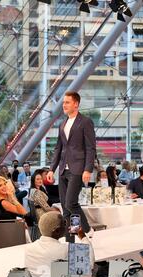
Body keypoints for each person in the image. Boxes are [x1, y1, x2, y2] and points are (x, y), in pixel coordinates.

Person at [47, 91, 96, 238]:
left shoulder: (85, 122)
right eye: (63, 102)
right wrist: (51, 169)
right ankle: (72, 236)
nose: (64, 105)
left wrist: (88, 169)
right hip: (63, 169)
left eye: (67, 102)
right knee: (65, 207)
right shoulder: (63, 124)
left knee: (71, 203)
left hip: (78, 169)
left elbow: (90, 147)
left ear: (76, 104)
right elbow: (58, 148)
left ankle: (87, 229)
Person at [25, 211, 94, 277]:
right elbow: (89, 264)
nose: (67, 225)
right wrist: (82, 236)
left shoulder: (29, 249)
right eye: (64, 223)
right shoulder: (67, 249)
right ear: (57, 230)